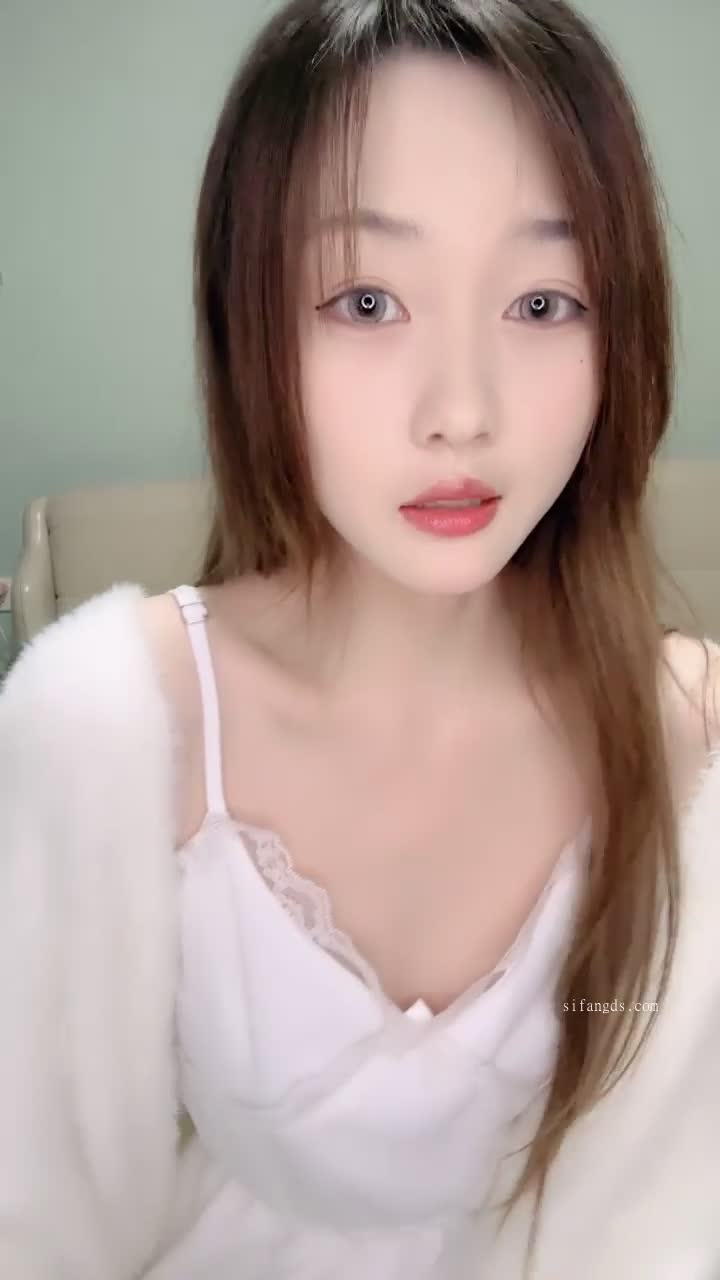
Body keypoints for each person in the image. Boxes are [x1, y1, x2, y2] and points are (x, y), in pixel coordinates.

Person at [1, 0, 720, 1276]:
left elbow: (661, 1224)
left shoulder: (687, 738)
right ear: (248, 322)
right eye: (368, 298)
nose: (462, 411)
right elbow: (38, 1217)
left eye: (545, 300)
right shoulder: (112, 720)